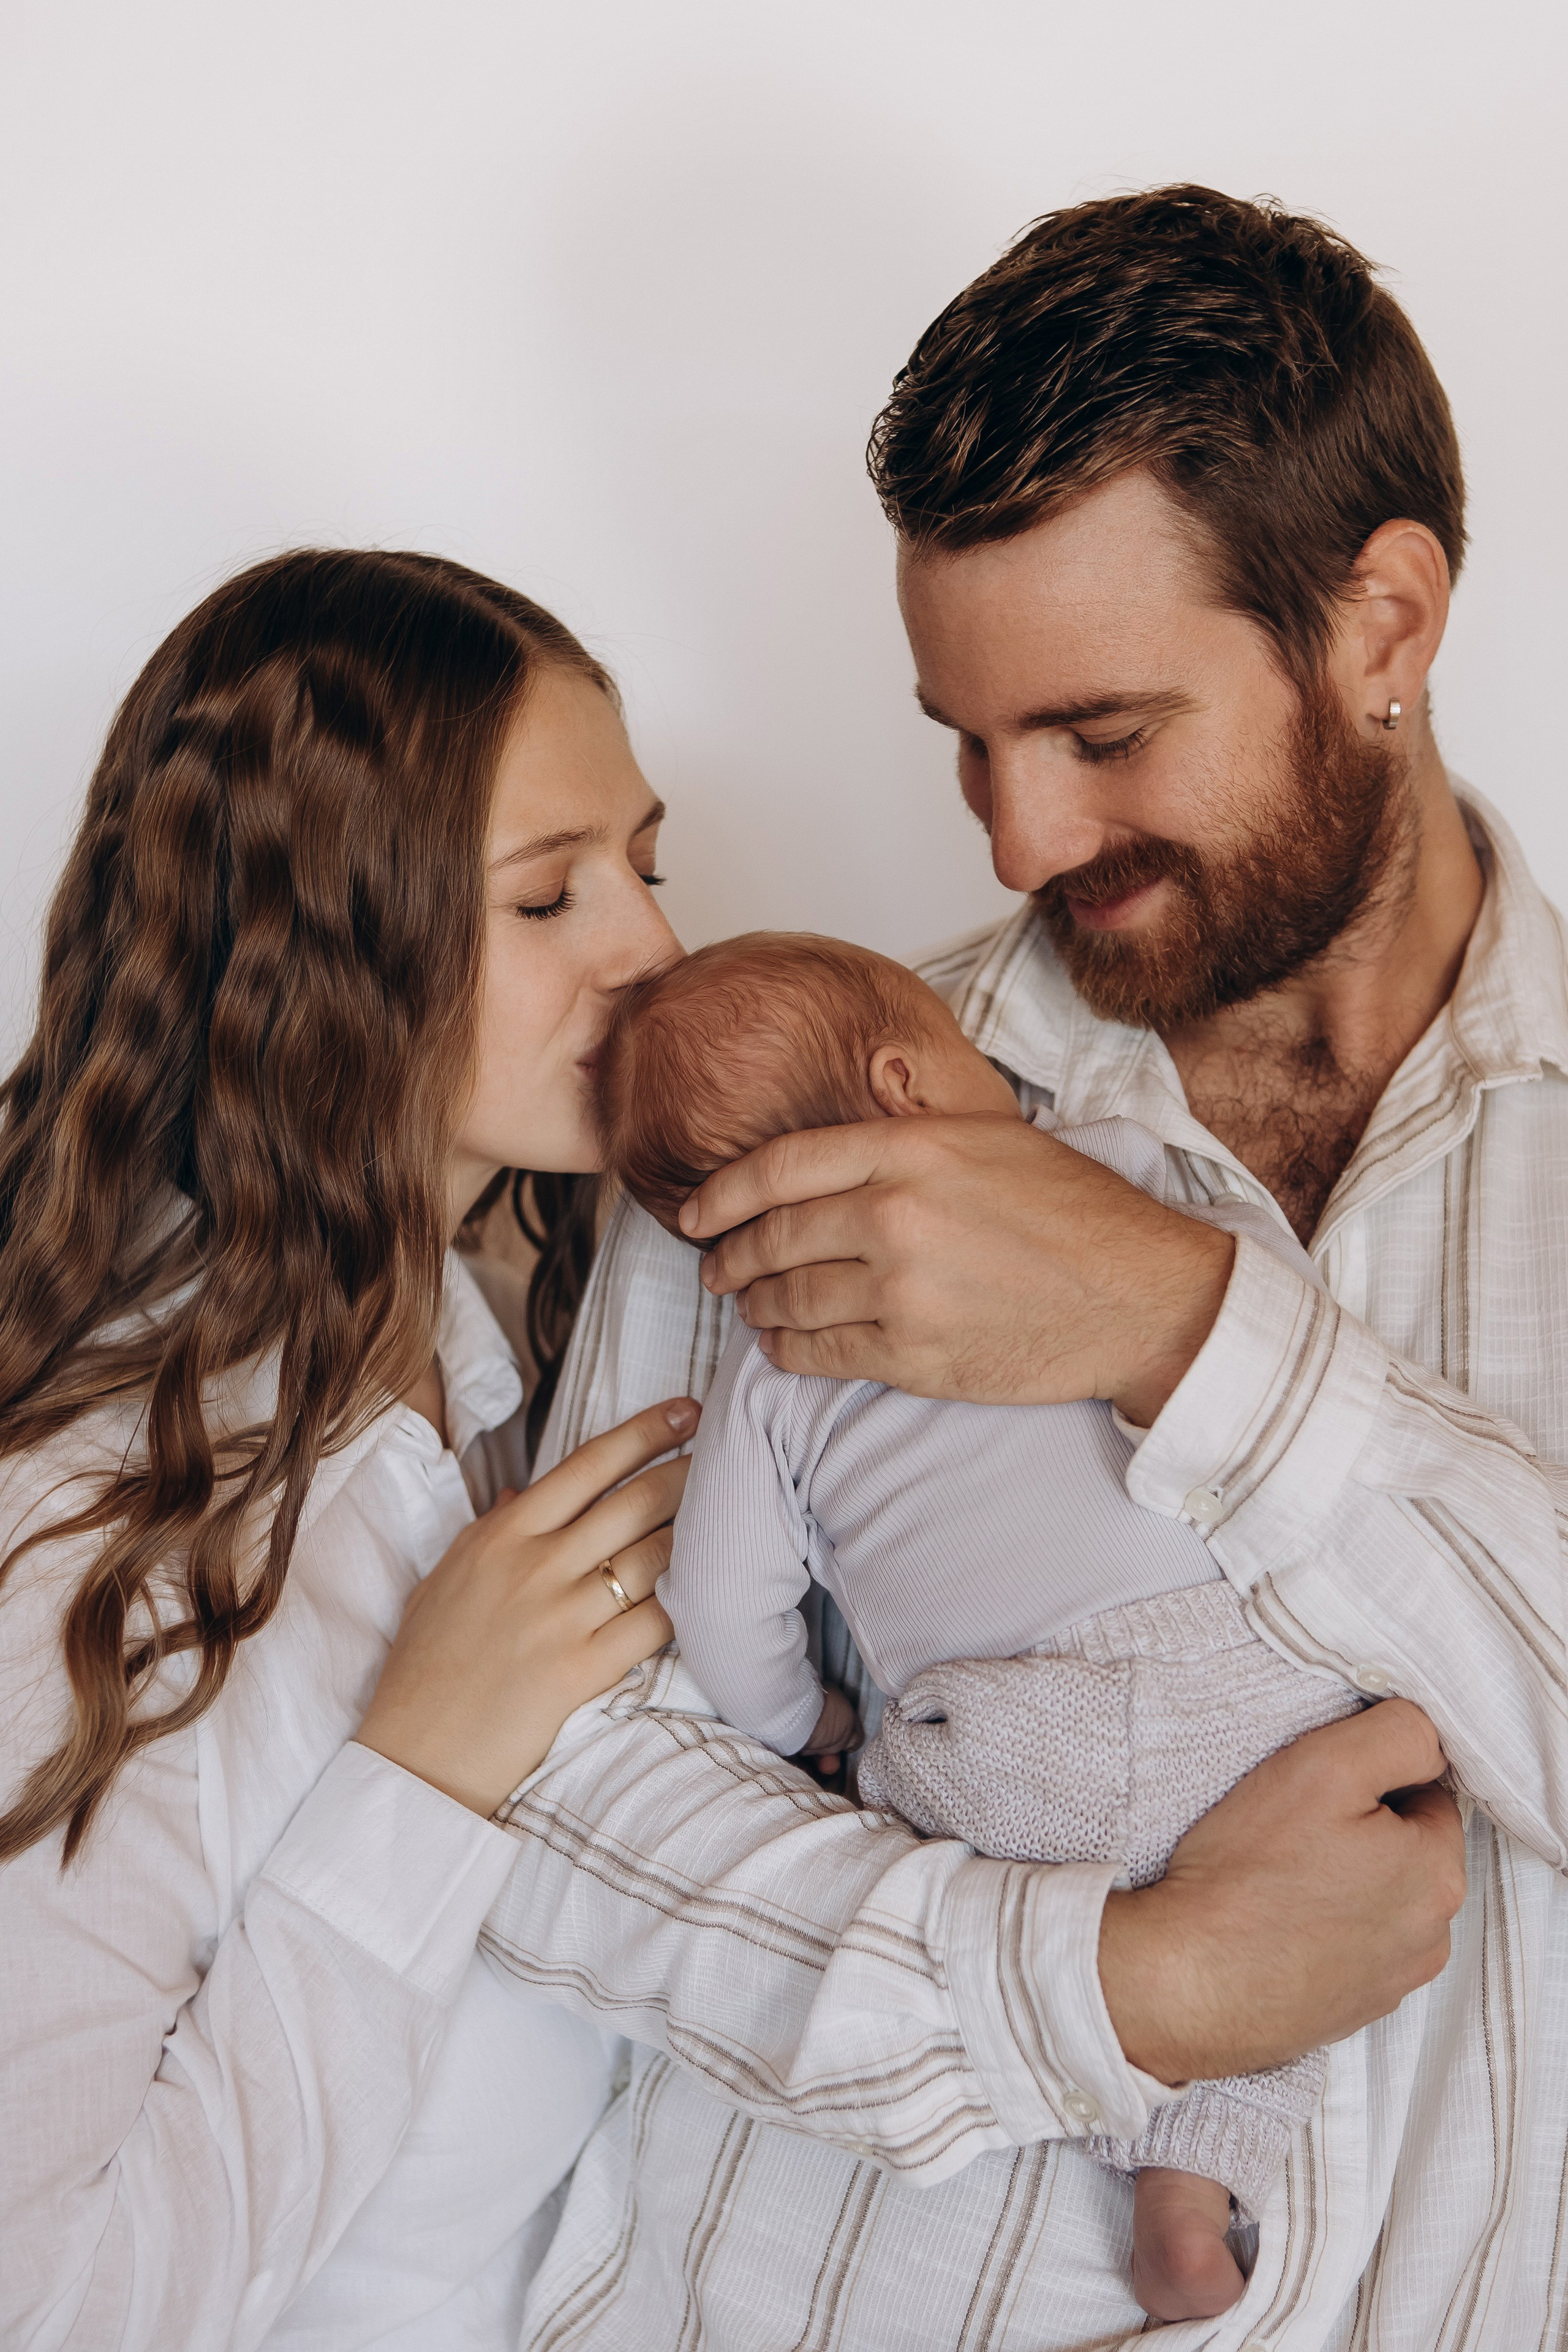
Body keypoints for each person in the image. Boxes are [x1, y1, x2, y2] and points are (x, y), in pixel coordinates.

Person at [477, 188, 1566, 2348]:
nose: (1016, 843)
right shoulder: (789, 1112)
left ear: (1384, 625)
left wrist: (1184, 1330)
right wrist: (1107, 1987)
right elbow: (564, 1797)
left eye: (1104, 734)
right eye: (964, 741)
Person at [0, 548, 698, 2349]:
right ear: (324, 950)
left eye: (647, 863)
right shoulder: (92, 1548)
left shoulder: (509, 1389)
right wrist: (417, 1782)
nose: (656, 950)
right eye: (550, 901)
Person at [599, 927, 1376, 2323]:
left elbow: (714, 1609)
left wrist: (816, 1730)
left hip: (1007, 1747)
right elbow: (1272, 1319)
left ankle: (1116, 2118)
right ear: (908, 1083)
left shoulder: (770, 1374)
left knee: (911, 1810)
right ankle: (1189, 2187)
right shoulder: (1108, 1183)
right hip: (1250, 1701)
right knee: (1328, 1910)